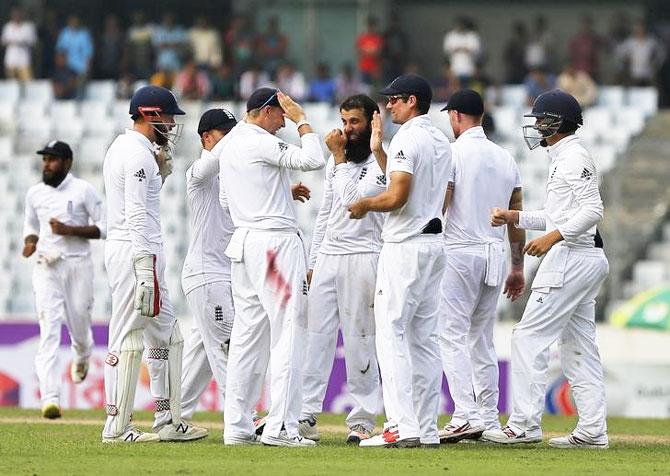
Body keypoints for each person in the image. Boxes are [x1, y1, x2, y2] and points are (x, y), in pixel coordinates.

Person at [484, 90, 610, 449]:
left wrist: (553, 238)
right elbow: (559, 215)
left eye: (541, 119)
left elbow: (593, 210)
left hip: (572, 256)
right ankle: (592, 431)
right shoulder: (563, 157)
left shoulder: (573, 157)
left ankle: (523, 424)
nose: (536, 125)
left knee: (527, 338)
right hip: (580, 256)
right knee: (577, 346)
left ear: (556, 122)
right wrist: (515, 217)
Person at [216, 88, 325, 446]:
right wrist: (302, 119)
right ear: (266, 112)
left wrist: (277, 193)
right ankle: (280, 427)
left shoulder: (230, 143)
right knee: (289, 332)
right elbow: (315, 160)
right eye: (280, 116)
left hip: (245, 244)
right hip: (274, 246)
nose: (282, 124)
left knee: (248, 338)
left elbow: (227, 198)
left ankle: (237, 427)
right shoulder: (259, 140)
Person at [348, 74, 452, 448]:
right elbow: (427, 186)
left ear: (412, 100)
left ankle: (399, 426)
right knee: (424, 339)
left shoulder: (408, 137)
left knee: (391, 333)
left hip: (405, 245)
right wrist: (379, 150)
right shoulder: (440, 138)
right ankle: (424, 429)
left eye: (394, 100)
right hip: (433, 244)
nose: (388, 106)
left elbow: (397, 196)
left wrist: (364, 205)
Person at [102, 85, 207, 443]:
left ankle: (167, 419)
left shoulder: (135, 150)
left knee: (166, 335)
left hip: (142, 249)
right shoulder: (136, 154)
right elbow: (135, 213)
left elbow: (142, 202)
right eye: (166, 117)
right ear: (149, 114)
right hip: (136, 252)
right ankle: (116, 427)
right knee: (127, 337)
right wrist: (144, 267)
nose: (171, 124)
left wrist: (159, 175)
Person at [437, 89, 525, 443]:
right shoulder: (506, 158)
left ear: (457, 115)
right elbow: (515, 216)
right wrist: (517, 266)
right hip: (494, 253)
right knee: (482, 339)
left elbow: (442, 204)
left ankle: (465, 414)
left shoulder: (453, 153)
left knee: (451, 334)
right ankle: (488, 417)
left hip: (459, 250)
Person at [299, 94, 385, 444]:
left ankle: (363, 418)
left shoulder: (383, 160)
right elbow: (328, 213)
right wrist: (314, 261)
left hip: (364, 255)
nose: (347, 130)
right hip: (330, 257)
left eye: (355, 122)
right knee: (314, 338)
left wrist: (336, 157)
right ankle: (305, 414)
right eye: (344, 121)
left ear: (371, 122)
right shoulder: (340, 162)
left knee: (360, 339)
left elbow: (353, 204)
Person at [22, 140, 105, 420]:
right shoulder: (34, 193)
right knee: (49, 331)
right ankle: (50, 397)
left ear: (67, 162)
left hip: (78, 265)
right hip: (47, 266)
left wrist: (70, 229)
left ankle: (82, 355)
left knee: (79, 326)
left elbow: (104, 227)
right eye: (45, 159)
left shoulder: (83, 190)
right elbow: (31, 225)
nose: (47, 164)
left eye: (53, 159)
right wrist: (30, 242)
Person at [180, 109, 237, 424]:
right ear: (206, 137)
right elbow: (213, 162)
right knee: (227, 345)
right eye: (225, 133)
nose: (232, 139)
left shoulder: (233, 172)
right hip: (206, 273)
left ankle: (175, 415)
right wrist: (245, 135)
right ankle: (242, 417)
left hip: (223, 272)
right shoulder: (197, 172)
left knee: (203, 351)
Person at [55, 15, 93, 98]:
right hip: (67, 69)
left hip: (80, 69)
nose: (73, 24)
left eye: (75, 22)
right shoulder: (64, 33)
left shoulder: (84, 34)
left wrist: (87, 69)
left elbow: (88, 54)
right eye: (71, 22)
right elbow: (59, 52)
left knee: (78, 92)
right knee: (61, 89)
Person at [443, 17, 481, 87]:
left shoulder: (472, 36)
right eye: (459, 25)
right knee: (455, 90)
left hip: (469, 69)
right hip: (454, 69)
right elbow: (446, 53)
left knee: (469, 90)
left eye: (463, 25)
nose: (461, 27)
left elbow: (477, 52)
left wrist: (476, 67)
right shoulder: (451, 36)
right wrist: (448, 69)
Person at [1, 7, 37, 82]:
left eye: (18, 15)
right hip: (11, 60)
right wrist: (11, 42)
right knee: (11, 83)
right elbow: (3, 41)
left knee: (27, 82)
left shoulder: (28, 27)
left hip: (24, 60)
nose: (16, 17)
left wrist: (21, 43)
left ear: (22, 15)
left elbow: (33, 42)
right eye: (14, 15)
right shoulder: (8, 27)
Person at [356, 16, 384, 85]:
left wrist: (366, 51)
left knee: (375, 88)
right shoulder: (362, 38)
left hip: (375, 68)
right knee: (364, 88)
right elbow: (359, 51)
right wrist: (371, 51)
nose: (371, 27)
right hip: (364, 67)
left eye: (372, 25)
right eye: (369, 25)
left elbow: (378, 53)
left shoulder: (378, 38)